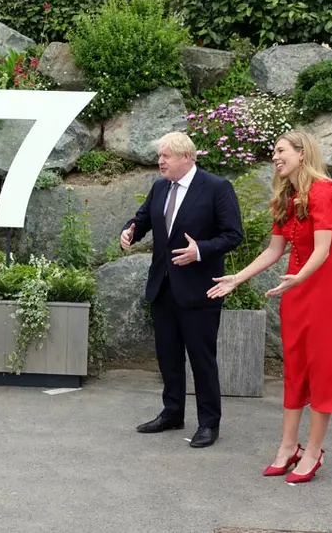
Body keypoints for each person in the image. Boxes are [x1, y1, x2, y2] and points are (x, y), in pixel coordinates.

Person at [207, 131, 332, 483]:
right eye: (274, 152)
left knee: (323, 369)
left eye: (281, 150)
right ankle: (286, 447)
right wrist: (238, 278)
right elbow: (273, 251)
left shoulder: (323, 190)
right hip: (296, 288)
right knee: (296, 366)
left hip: (327, 289)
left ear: (301, 153)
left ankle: (313, 452)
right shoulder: (288, 196)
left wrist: (299, 278)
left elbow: (323, 249)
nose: (275, 157)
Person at [119, 131, 243, 448]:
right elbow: (142, 219)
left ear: (186, 157)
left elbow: (233, 235)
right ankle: (172, 413)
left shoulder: (216, 188)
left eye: (166, 156)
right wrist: (129, 232)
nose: (160, 161)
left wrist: (199, 250)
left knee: (202, 359)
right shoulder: (160, 186)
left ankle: (208, 424)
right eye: (159, 155)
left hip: (200, 289)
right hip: (163, 287)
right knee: (168, 357)